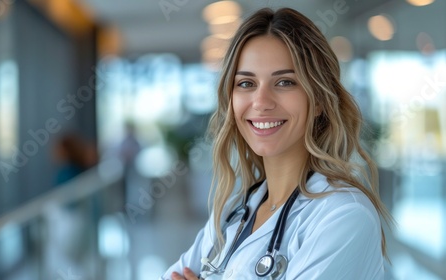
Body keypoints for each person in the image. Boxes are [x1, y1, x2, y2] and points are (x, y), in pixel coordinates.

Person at [161, 7, 392, 280]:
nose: (261, 102)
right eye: (246, 83)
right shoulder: (232, 213)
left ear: (318, 100)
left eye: (284, 82)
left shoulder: (344, 216)